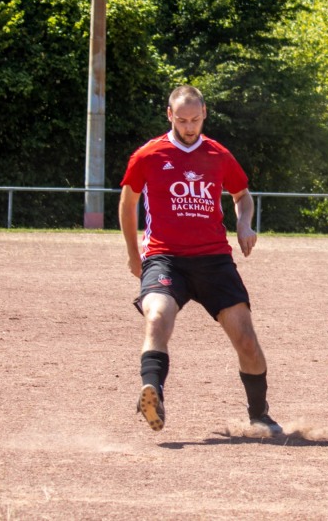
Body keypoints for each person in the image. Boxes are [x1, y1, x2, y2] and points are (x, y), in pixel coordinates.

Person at [119, 85, 282, 436]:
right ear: (169, 116)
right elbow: (127, 202)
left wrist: (243, 222)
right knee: (157, 317)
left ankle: (259, 415)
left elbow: (242, 195)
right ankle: (153, 393)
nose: (189, 126)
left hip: (213, 260)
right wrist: (135, 254)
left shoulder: (219, 154)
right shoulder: (149, 155)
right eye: (182, 120)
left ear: (204, 114)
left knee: (247, 341)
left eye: (194, 119)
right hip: (165, 259)